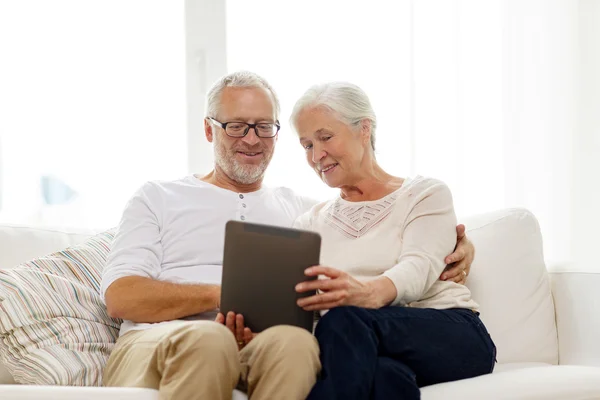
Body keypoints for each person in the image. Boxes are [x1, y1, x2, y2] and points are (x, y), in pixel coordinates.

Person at [100, 71, 475, 400]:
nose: (252, 139)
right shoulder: (159, 196)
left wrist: (459, 244)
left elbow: (373, 225)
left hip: (255, 343)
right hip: (161, 340)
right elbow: (120, 296)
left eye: (264, 126)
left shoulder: (301, 211)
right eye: (236, 125)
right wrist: (224, 296)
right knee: (210, 340)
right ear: (208, 129)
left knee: (297, 344)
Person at [291, 82, 496, 400]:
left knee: (343, 320)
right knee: (386, 378)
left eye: (325, 137)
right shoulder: (309, 223)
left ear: (364, 129)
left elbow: (418, 268)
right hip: (361, 345)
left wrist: (364, 293)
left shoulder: (424, 195)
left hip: (448, 332)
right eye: (306, 145)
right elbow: (305, 305)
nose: (316, 155)